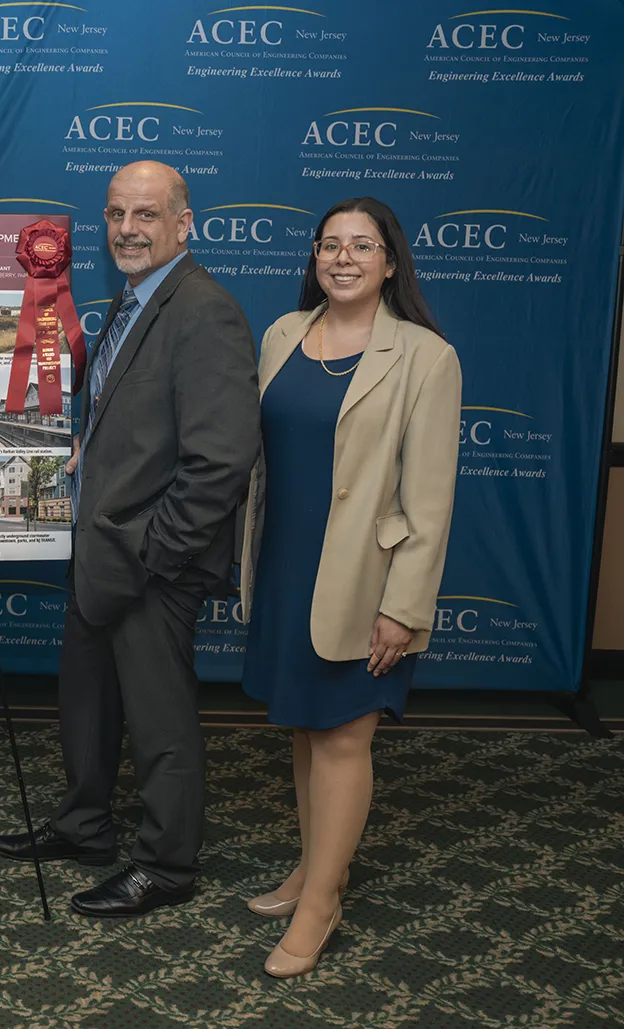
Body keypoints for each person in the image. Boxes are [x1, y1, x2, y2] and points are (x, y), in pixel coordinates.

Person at [0, 162, 260, 918]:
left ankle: (167, 866)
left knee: (160, 722)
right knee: (88, 702)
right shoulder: (130, 299)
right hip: (102, 551)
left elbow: (221, 459)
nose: (127, 230)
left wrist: (155, 552)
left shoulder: (204, 310)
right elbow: (134, 421)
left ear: (184, 223)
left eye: (146, 214)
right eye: (115, 214)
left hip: (151, 561)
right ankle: (85, 824)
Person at [239, 197, 461, 977]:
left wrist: (403, 607)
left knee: (342, 736)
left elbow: (430, 500)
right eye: (330, 244)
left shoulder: (427, 357)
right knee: (305, 729)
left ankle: (322, 901)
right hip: (286, 566)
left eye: (362, 246)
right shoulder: (282, 335)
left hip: (364, 579)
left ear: (389, 262)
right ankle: (313, 867)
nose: (343, 257)